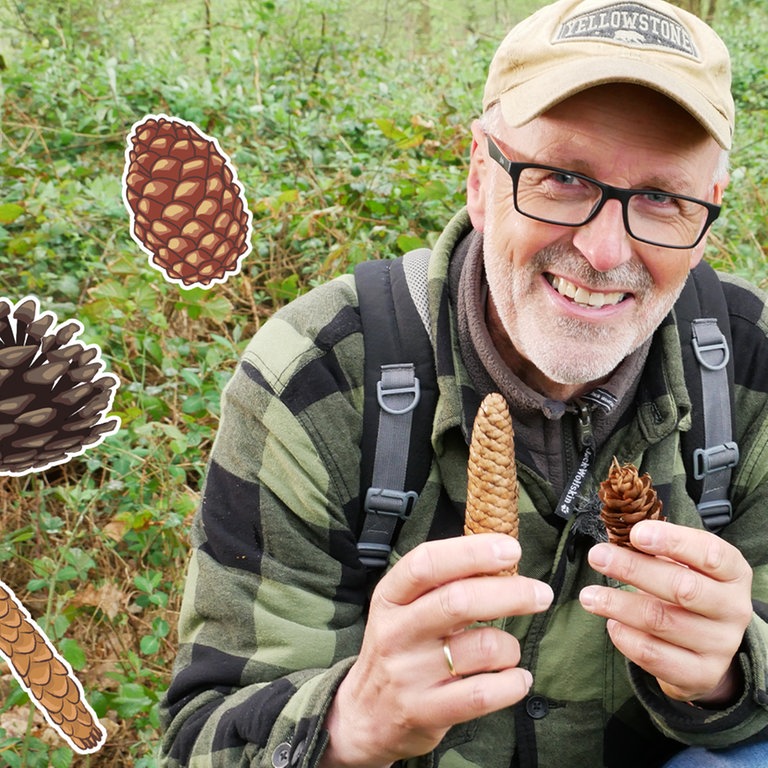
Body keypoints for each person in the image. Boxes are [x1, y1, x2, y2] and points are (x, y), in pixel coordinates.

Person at [160, 0, 768, 766]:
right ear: (481, 174)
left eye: (661, 197)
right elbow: (202, 741)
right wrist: (350, 723)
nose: (607, 251)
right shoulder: (322, 377)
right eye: (561, 178)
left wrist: (729, 675)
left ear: (708, 215)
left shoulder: (751, 368)